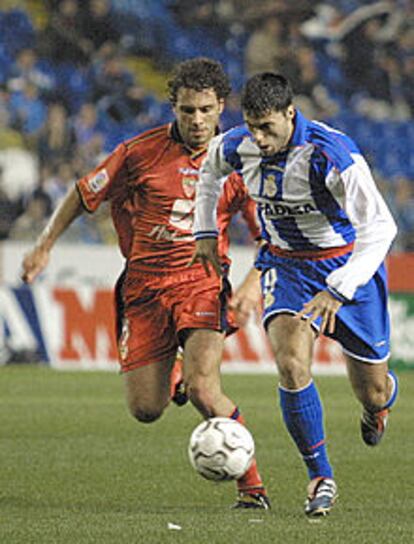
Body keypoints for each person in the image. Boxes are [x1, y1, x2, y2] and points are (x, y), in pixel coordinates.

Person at [21, 58, 270, 510]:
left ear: (221, 108)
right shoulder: (139, 153)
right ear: (173, 106)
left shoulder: (241, 161)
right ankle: (171, 375)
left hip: (202, 284)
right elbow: (83, 193)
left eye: (206, 110)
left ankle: (252, 488)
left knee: (204, 389)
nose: (197, 121)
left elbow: (267, 234)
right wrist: (44, 245)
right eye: (187, 110)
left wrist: (254, 281)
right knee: (145, 410)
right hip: (144, 289)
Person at [191, 72, 399, 517]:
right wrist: (205, 232)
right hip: (287, 267)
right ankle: (320, 476)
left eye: (268, 127)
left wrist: (339, 289)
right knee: (289, 362)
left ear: (291, 114)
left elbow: (381, 228)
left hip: (347, 267)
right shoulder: (237, 145)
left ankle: (378, 405)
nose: (260, 139)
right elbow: (209, 171)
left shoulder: (331, 154)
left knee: (373, 390)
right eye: (252, 127)